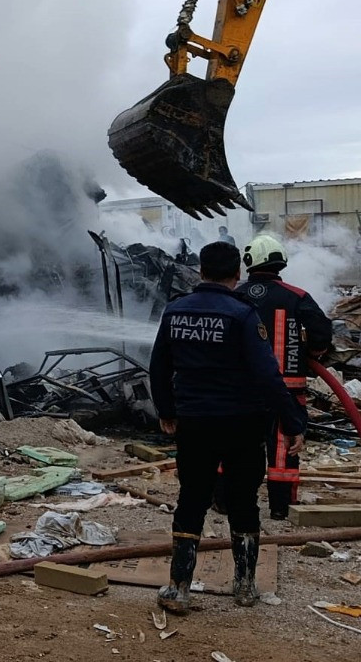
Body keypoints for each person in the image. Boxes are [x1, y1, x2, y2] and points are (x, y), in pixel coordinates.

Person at [149, 241, 309, 613]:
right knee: (243, 502)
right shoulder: (242, 315)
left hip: (194, 424)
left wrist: (167, 410)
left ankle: (178, 587)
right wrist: (292, 421)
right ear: (237, 274)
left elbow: (159, 367)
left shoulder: (175, 312)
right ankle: (245, 587)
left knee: (191, 499)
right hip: (242, 424)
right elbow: (268, 376)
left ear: (200, 271)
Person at [232, 235, 333, 518]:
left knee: (234, 443)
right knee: (284, 447)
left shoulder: (234, 295)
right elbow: (321, 332)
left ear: (249, 262)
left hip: (239, 389)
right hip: (287, 389)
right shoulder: (297, 296)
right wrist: (314, 351)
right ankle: (280, 508)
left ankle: (225, 500)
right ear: (280, 262)